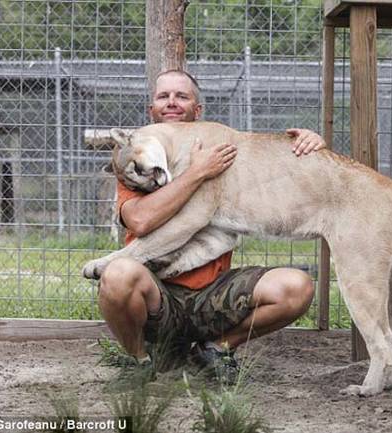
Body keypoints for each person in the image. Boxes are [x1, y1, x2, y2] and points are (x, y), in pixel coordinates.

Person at [98, 69, 325, 382]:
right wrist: (197, 173)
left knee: (297, 287)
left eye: (182, 96)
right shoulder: (138, 156)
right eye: (163, 96)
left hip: (213, 296)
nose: (172, 103)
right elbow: (140, 219)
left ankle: (213, 350)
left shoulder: (221, 147)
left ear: (198, 109)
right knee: (118, 273)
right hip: (157, 294)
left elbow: (270, 162)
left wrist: (310, 145)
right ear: (152, 109)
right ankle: (141, 361)